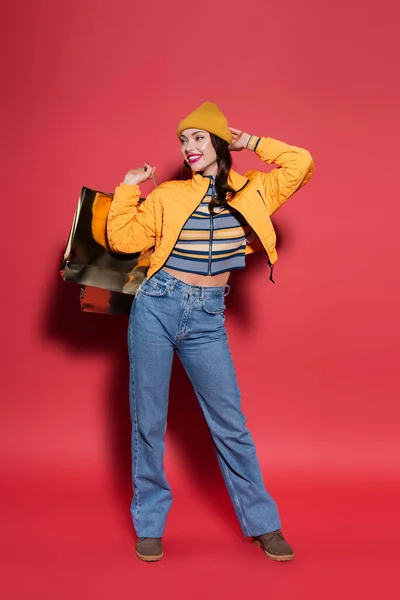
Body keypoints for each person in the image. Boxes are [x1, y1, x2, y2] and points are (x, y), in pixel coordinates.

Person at [107, 102, 314, 562]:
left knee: (231, 426)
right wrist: (127, 188)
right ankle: (150, 524)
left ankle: (264, 525)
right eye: (184, 140)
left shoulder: (255, 191)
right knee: (149, 421)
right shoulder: (168, 195)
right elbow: (122, 240)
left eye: (199, 137)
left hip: (207, 318)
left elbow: (301, 163)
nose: (188, 147)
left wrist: (252, 142)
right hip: (156, 306)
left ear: (220, 141)